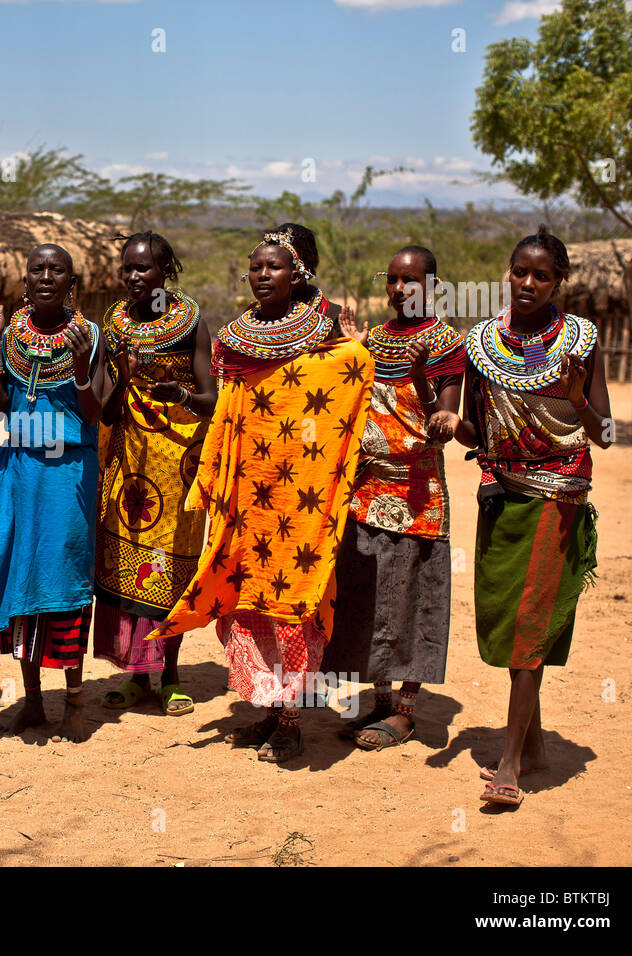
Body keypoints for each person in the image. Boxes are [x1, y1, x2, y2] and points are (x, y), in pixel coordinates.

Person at [149, 225, 371, 762]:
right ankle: (270, 713)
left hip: (302, 498)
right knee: (246, 601)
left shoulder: (330, 336)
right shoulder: (233, 340)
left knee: (292, 602)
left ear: (298, 274)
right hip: (248, 493)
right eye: (255, 268)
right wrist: (181, 396)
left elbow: (353, 375)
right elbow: (221, 407)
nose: (262, 276)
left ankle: (291, 723)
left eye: (274, 267)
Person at [455, 226, 611, 808]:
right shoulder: (480, 344)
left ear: (558, 281)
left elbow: (609, 433)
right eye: (520, 271)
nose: (527, 283)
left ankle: (511, 762)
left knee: (530, 619)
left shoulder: (579, 341)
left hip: (558, 492)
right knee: (503, 612)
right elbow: (476, 430)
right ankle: (537, 739)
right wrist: (446, 425)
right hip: (500, 491)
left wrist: (575, 396)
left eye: (541, 275)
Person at [0, 243, 105, 743]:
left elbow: (96, 412)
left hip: (67, 477)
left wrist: (78, 371)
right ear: (26, 280)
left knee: (64, 578)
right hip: (17, 469)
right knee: (15, 577)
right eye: (37, 269)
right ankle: (33, 702)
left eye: (57, 270)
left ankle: (74, 704)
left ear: (71, 284)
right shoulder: (10, 336)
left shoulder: (90, 336)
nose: (46, 277)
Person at [323, 245, 465, 749]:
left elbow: (443, 427)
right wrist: (348, 352)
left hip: (416, 493)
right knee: (367, 593)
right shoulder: (375, 341)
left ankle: (405, 710)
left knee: (412, 598)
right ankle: (378, 703)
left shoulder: (448, 343)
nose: (400, 290)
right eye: (394, 280)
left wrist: (423, 376)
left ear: (434, 286)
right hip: (365, 490)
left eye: (412, 281)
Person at [93, 232, 214, 716]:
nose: (133, 277)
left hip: (177, 464)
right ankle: (135, 673)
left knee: (172, 568)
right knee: (124, 567)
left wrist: (177, 395)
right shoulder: (114, 325)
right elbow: (103, 408)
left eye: (143, 268)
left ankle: (171, 675)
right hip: (128, 464)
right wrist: (122, 376)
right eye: (127, 268)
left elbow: (211, 399)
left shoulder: (191, 324)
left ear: (166, 272)